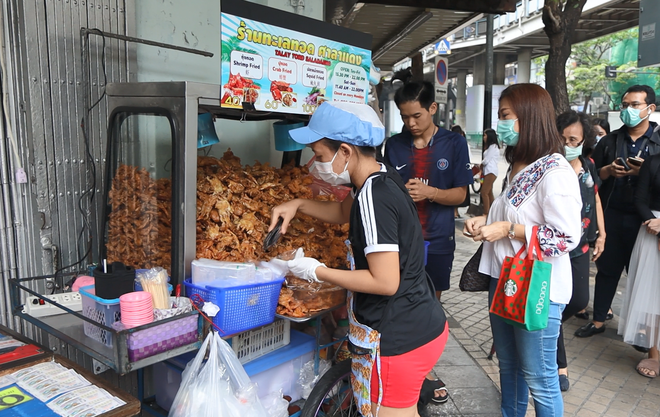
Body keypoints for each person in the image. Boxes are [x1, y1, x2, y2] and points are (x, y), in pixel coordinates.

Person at [270, 101, 448, 417]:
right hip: (420, 322)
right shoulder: (377, 177)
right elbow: (342, 212)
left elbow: (385, 281)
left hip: (398, 337)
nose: (315, 162)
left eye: (320, 155)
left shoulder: (373, 197)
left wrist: (317, 270)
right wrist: (298, 203)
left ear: (346, 152)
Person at [464, 83, 582, 417]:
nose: (501, 124)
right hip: (505, 282)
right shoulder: (520, 167)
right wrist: (484, 221)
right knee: (509, 369)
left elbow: (565, 237)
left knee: (540, 378)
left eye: (505, 116)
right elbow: (512, 214)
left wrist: (508, 230)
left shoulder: (555, 171)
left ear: (528, 117)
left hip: (538, 288)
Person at [575, 85, 660, 339]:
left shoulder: (658, 142)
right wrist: (609, 171)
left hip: (647, 218)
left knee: (643, 274)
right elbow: (592, 177)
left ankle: (644, 330)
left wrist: (645, 172)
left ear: (650, 108)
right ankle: (599, 320)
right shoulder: (609, 141)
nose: (628, 110)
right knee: (607, 269)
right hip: (612, 213)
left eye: (634, 105)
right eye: (625, 105)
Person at [384, 81, 473, 302]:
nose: (410, 123)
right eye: (404, 117)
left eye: (416, 116)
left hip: (438, 240)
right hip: (400, 240)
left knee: (431, 302)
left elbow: (461, 196)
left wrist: (430, 192)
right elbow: (386, 191)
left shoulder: (454, 143)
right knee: (397, 300)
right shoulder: (395, 145)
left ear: (432, 108)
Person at [554, 111, 607, 391]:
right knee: (557, 303)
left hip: (580, 246)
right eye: (562, 138)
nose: (566, 143)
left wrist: (602, 233)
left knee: (578, 301)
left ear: (583, 140)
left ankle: (542, 328)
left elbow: (595, 196)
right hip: (554, 248)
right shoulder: (549, 167)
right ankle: (560, 367)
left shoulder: (587, 166)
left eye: (573, 139)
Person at [617, 153, 660, 378]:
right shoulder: (653, 161)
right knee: (652, 296)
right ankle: (654, 353)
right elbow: (640, 199)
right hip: (651, 229)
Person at [451, 125, 471, 219]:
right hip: (462, 171)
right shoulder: (463, 143)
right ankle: (455, 212)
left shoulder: (450, 143)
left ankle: (455, 212)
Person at [480, 129, 500, 216]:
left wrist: (480, 164)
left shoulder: (493, 147)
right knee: (489, 192)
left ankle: (486, 213)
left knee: (484, 192)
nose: (483, 137)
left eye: (485, 135)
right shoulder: (490, 147)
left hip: (490, 171)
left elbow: (486, 160)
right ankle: (494, 211)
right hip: (488, 171)